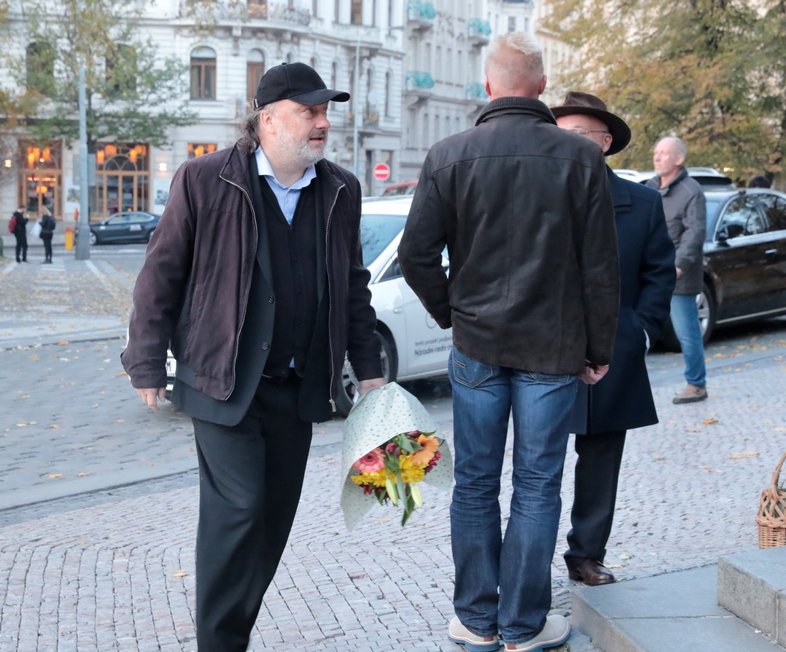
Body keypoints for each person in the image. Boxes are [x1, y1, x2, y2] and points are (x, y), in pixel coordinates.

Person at [120, 61, 386, 651]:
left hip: (299, 387)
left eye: (324, 113)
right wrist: (146, 360)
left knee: (271, 523)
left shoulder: (340, 188)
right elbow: (161, 273)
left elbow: (352, 284)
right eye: (308, 112)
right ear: (267, 119)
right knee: (238, 510)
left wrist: (369, 370)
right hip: (222, 382)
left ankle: (229, 635)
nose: (321, 123)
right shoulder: (206, 178)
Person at [397, 33, 620, 652]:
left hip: (477, 344)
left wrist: (453, 311)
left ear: (489, 86)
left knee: (473, 482)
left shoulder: (448, 155)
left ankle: (475, 618)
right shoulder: (580, 159)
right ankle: (523, 626)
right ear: (542, 87)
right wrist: (598, 347)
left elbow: (417, 255)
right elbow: (601, 268)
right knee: (538, 484)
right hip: (552, 349)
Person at [550, 92, 676, 587]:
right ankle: (525, 559)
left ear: (604, 143)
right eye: (559, 134)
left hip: (613, 349)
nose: (567, 144)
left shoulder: (641, 202)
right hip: (544, 348)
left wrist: (639, 330)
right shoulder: (536, 197)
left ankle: (586, 554)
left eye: (578, 135)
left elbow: (660, 273)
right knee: (536, 461)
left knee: (601, 457)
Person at [646, 137, 708, 404]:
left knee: (687, 332)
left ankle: (696, 385)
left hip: (677, 276)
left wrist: (678, 266)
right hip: (649, 272)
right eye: (656, 152)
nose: (657, 157)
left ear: (679, 159)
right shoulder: (648, 187)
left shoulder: (691, 191)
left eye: (664, 153)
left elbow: (695, 234)